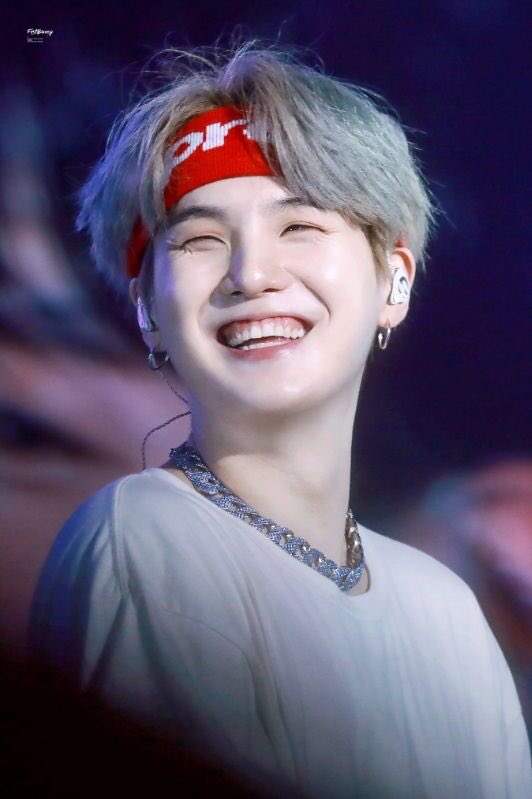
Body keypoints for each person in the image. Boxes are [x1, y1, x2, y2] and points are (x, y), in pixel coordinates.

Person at [30, 43, 532, 798]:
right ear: (148, 310)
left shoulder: (449, 610)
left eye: (299, 226)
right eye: (200, 239)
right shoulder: (145, 538)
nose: (251, 274)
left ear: (393, 281)